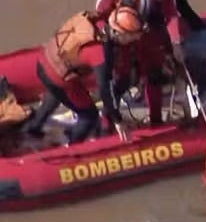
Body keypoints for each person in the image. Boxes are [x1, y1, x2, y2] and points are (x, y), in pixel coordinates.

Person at [91, 0, 187, 126]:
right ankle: (107, 118)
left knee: (154, 74)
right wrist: (109, 37)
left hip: (147, 32)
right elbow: (100, 12)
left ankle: (156, 120)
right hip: (123, 35)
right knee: (123, 79)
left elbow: (170, 12)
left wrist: (176, 42)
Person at [22, 7, 146, 143]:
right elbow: (105, 89)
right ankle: (73, 146)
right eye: (132, 35)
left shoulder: (100, 21)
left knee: (56, 94)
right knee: (89, 115)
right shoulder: (101, 53)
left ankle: (32, 128)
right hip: (58, 77)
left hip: (45, 61)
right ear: (117, 33)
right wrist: (118, 120)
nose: (136, 38)